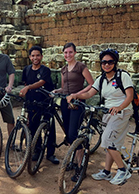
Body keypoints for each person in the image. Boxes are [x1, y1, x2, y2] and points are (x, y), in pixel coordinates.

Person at [67, 48, 134, 185]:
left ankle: (123, 170)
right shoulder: (101, 79)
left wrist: (119, 107)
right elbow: (89, 93)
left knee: (108, 140)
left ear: (115, 63)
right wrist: (76, 95)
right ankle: (107, 172)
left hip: (122, 112)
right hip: (108, 113)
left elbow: (130, 96)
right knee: (110, 143)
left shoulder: (123, 76)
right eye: (104, 62)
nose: (107, 65)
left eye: (110, 62)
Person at [53, 42, 94, 181]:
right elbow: (64, 87)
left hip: (77, 103)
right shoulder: (63, 69)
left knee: (73, 133)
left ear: (75, 53)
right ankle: (73, 160)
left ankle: (81, 166)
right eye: (65, 53)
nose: (68, 55)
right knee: (68, 133)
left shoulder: (80, 67)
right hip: (65, 102)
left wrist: (77, 94)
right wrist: (56, 91)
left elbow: (91, 84)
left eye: (70, 52)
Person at [19, 46, 59, 164]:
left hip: (46, 102)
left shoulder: (45, 70)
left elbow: (41, 82)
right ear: (30, 57)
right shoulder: (26, 70)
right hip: (32, 103)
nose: (35, 58)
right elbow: (25, 83)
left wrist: (28, 87)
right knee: (33, 127)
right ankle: (37, 150)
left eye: (37, 55)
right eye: (33, 55)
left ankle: (50, 153)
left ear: (41, 57)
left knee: (49, 127)